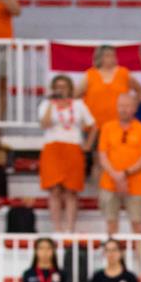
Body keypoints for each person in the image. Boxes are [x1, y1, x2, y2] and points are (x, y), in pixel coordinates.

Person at [38, 74, 95, 233]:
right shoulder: (46, 104)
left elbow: (92, 125)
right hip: (52, 148)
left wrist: (88, 145)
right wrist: (52, 102)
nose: (61, 89)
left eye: (64, 87)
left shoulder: (78, 105)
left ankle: (70, 228)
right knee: (54, 190)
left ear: (70, 89)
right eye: (58, 87)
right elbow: (44, 124)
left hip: (73, 148)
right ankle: (57, 228)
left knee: (71, 190)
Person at [97, 91, 141, 235]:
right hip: (109, 183)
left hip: (136, 184)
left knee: (137, 224)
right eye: (121, 106)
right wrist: (115, 175)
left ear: (135, 108)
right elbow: (102, 156)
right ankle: (112, 249)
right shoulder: (107, 128)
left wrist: (124, 174)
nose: (123, 109)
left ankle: (140, 251)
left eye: (127, 106)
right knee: (111, 224)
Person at [80, 45, 141, 142]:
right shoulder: (89, 75)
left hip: (119, 126)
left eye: (113, 55)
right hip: (94, 128)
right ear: (99, 57)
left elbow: (139, 90)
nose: (111, 58)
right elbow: (75, 96)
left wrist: (133, 107)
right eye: (107, 56)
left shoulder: (124, 73)